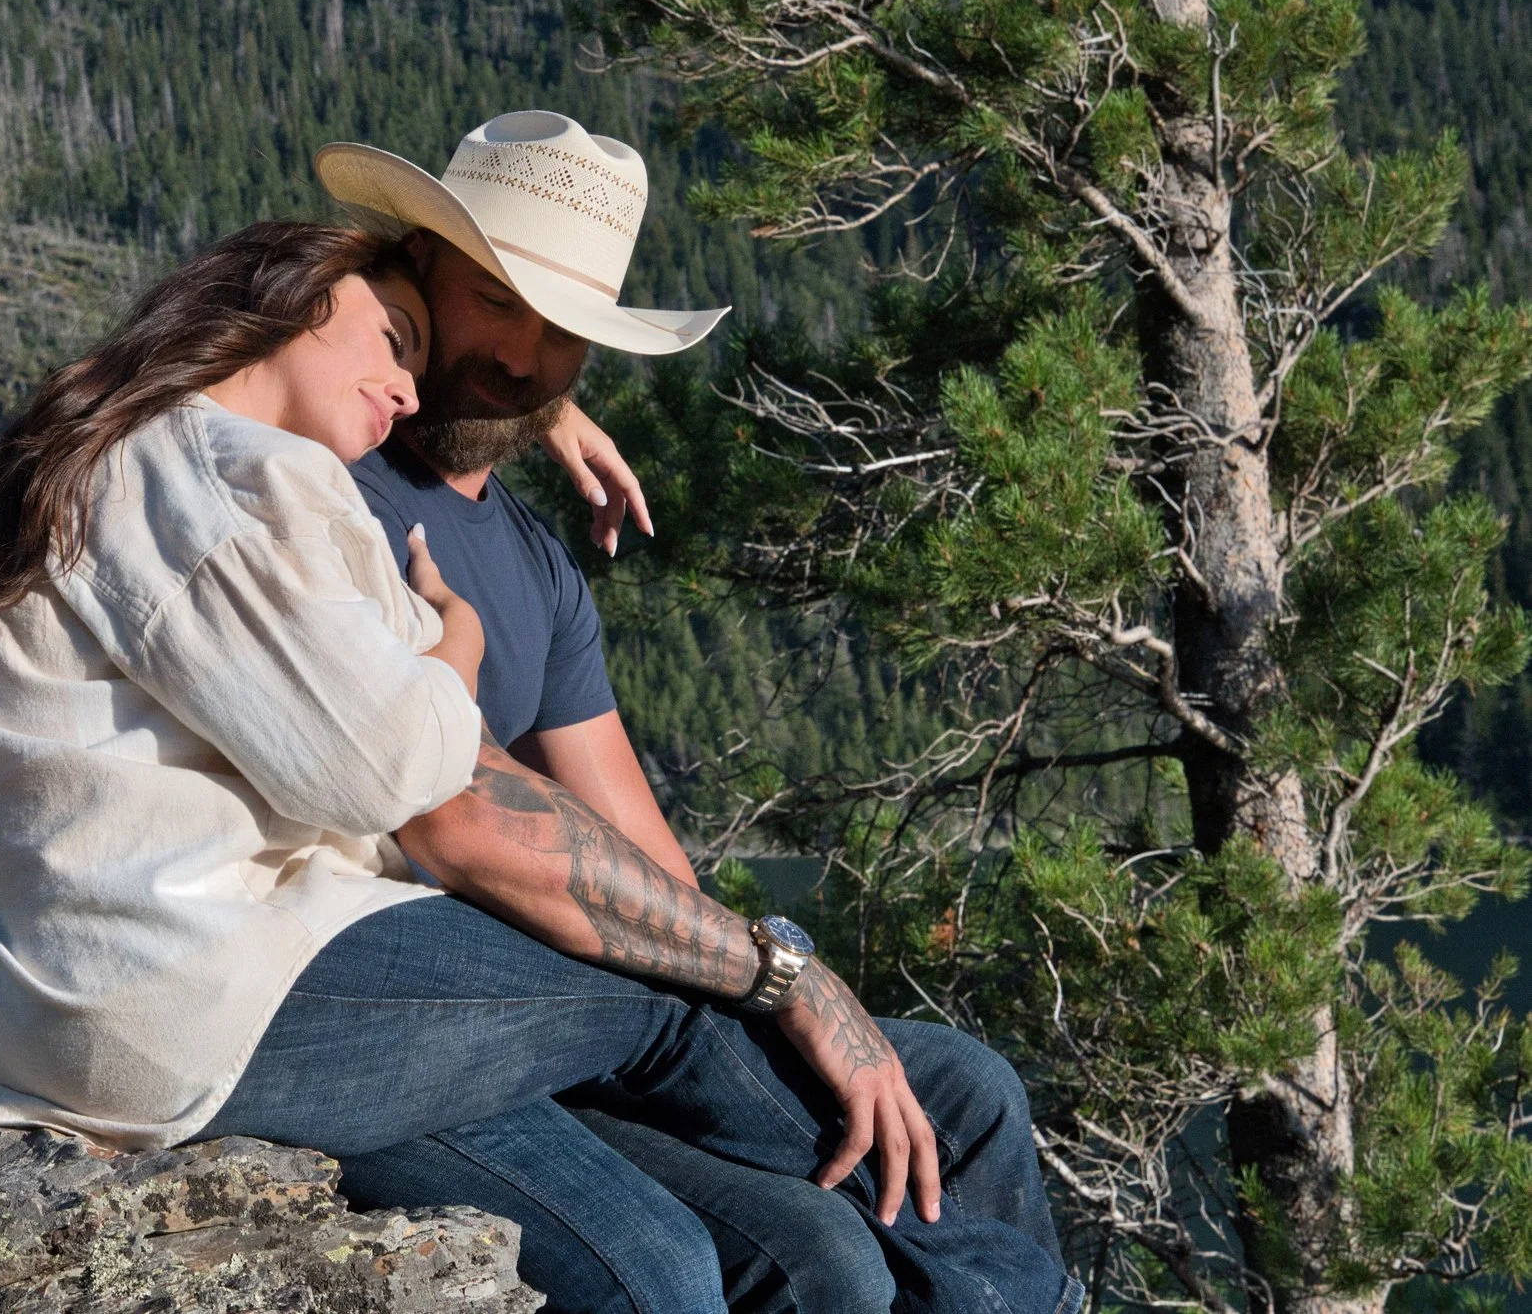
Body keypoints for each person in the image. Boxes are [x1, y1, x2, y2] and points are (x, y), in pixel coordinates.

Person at [0, 215, 1074, 1314]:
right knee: (663, 991)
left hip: (162, 1009)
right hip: (215, 984)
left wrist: (537, 409)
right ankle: (994, 1288)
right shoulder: (213, 474)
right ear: (309, 299)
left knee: (653, 1265)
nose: (411, 384)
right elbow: (389, 775)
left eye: (559, 335)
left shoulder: (152, 461)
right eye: (403, 340)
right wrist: (455, 653)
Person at [312, 111, 1076, 1314]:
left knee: (967, 1092)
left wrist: (784, 983)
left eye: (561, 331)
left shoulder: (536, 566)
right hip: (428, 1018)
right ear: (410, 273)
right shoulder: (319, 475)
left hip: (589, 1011)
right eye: (491, 301)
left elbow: (645, 859)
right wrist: (788, 988)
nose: (517, 354)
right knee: (815, 1254)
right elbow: (225, 326)